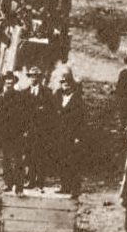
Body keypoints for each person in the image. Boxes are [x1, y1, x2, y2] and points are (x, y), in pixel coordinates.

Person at [0, 73, 32, 193]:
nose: (9, 83)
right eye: (7, 81)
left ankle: (19, 186)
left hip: (17, 133)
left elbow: (26, 115)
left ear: (14, 83)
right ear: (3, 83)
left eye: (11, 81)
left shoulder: (20, 97)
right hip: (4, 134)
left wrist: (25, 131)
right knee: (6, 160)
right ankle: (8, 183)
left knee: (19, 160)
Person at [24, 66, 57, 189]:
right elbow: (22, 113)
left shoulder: (47, 92)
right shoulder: (25, 92)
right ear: (29, 77)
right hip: (29, 131)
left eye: (36, 76)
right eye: (32, 76)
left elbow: (52, 112)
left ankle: (40, 181)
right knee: (29, 155)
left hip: (42, 131)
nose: (34, 78)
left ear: (40, 78)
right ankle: (30, 180)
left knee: (41, 155)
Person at [55, 68, 85, 197]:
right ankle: (64, 186)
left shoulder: (77, 100)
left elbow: (82, 120)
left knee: (74, 162)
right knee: (62, 160)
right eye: (63, 83)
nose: (65, 85)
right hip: (61, 134)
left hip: (73, 135)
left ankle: (75, 188)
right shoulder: (58, 98)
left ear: (72, 85)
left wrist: (78, 136)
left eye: (68, 83)